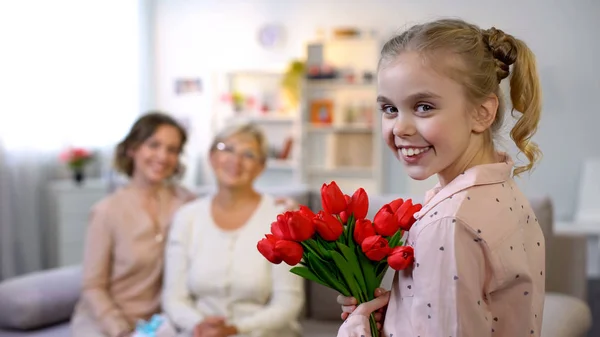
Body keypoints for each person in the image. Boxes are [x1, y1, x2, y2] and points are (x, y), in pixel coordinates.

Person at [337, 18, 545, 337]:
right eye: (389, 109)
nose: (400, 128)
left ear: (481, 113)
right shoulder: (502, 192)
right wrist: (403, 314)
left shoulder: (448, 224)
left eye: (423, 107)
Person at [161, 121, 305, 337]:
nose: (235, 161)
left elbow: (289, 301)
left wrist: (235, 329)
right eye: (226, 149)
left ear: (261, 166)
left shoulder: (281, 217)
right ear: (211, 157)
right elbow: (174, 297)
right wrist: (200, 326)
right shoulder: (187, 217)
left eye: (248, 154)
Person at [71, 112, 197, 337]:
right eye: (153, 145)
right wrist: (119, 330)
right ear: (133, 149)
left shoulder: (186, 203)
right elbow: (92, 286)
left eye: (172, 149)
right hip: (107, 325)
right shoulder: (106, 211)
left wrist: (280, 205)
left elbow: (226, 209)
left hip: (161, 325)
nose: (162, 156)